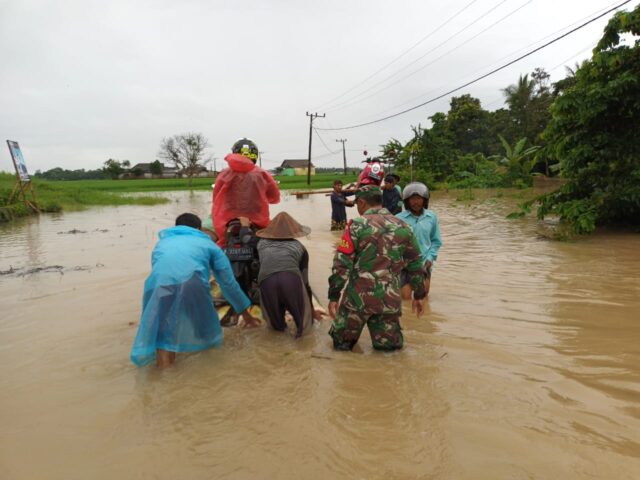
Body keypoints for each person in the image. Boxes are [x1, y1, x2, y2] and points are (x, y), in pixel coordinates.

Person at [130, 213, 260, 368]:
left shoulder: (161, 244)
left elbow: (165, 273)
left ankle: (165, 377)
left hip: (156, 287)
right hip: (192, 283)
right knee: (206, 333)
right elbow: (228, 283)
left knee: (163, 336)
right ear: (199, 229)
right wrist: (247, 316)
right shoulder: (209, 245)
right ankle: (208, 372)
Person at [327, 185, 426, 352]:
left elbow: (341, 265)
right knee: (389, 353)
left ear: (362, 202)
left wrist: (334, 295)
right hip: (389, 301)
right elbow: (415, 264)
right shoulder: (403, 226)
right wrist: (419, 294)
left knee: (341, 347)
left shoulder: (356, 226)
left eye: (358, 203)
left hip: (356, 301)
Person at [256, 212, 324, 337]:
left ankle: (279, 350)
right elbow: (305, 282)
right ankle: (302, 347)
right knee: (304, 328)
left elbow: (259, 267)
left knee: (275, 329)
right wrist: (311, 310)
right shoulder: (299, 247)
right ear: (293, 232)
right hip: (291, 281)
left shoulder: (261, 245)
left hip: (267, 282)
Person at [212, 138, 280, 246]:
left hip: (228, 222)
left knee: (222, 246)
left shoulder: (223, 174)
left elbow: (216, 198)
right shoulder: (263, 174)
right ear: (255, 155)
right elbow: (274, 198)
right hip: (258, 222)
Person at [396, 182, 442, 299]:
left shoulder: (431, 217)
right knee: (405, 299)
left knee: (422, 298)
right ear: (407, 201)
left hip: (424, 264)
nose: (415, 202)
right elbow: (394, 243)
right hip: (405, 266)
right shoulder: (398, 219)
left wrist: (430, 258)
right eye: (412, 199)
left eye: (418, 198)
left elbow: (436, 241)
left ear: (424, 200)